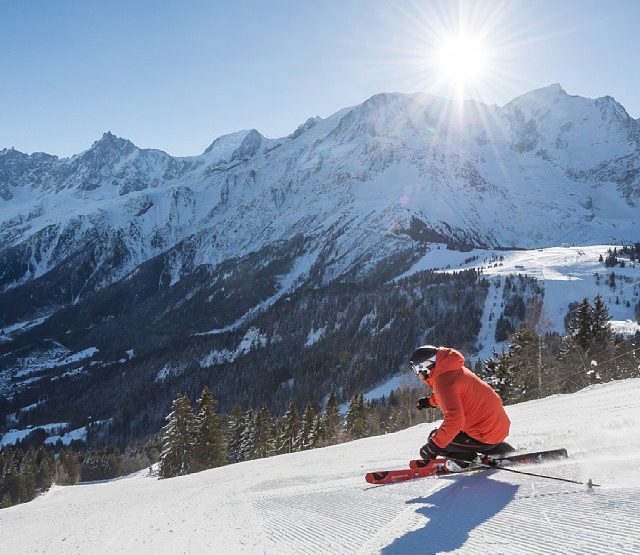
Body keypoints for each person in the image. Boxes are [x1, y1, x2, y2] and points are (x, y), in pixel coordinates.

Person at [409, 345, 512, 471]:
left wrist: (433, 446)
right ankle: (495, 448)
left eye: (416, 370)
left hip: (484, 434)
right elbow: (455, 393)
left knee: (434, 437)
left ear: (424, 367)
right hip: (498, 427)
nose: (417, 374)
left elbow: (455, 421)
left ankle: (465, 461)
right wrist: (430, 402)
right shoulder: (453, 369)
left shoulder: (443, 382)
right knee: (446, 436)